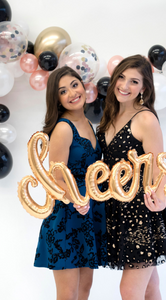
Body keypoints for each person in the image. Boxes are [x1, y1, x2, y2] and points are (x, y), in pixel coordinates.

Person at [97, 55, 166, 300]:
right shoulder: (108, 116)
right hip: (117, 209)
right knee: (150, 287)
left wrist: (160, 197)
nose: (124, 86)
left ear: (144, 88)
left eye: (134, 81)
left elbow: (157, 163)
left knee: (130, 290)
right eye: (121, 77)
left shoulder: (145, 119)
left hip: (142, 210)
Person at [34, 66, 107, 300]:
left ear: (83, 86)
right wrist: (76, 199)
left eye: (74, 85)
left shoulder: (88, 122)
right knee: (68, 294)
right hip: (66, 217)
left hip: (88, 213)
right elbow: (56, 178)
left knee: (84, 290)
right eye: (63, 91)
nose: (72, 93)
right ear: (57, 99)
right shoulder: (64, 128)